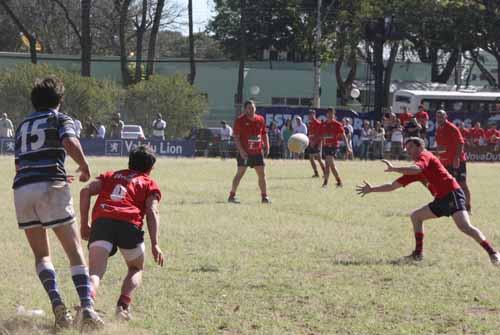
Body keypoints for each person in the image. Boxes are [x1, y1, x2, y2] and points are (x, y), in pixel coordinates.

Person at [13, 77, 103, 329]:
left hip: (22, 188)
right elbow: (69, 142)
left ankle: (58, 306)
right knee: (75, 252)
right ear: (60, 101)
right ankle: (87, 309)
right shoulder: (59, 119)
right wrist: (84, 166)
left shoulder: (22, 125)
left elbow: (20, 163)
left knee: (42, 255)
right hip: (50, 186)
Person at [356, 137, 500, 265]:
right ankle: (418, 254)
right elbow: (393, 186)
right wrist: (372, 189)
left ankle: (493, 253)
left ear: (420, 147)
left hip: (452, 194)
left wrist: (395, 168)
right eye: (406, 148)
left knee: (465, 227)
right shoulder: (414, 170)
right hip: (440, 200)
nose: (408, 151)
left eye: (411, 147)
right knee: (416, 216)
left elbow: (417, 168)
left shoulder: (425, 156)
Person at [80, 145, 164, 321]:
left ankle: (86, 306)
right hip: (129, 224)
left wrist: (84, 224)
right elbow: (152, 211)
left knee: (95, 272)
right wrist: (155, 244)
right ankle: (122, 307)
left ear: (129, 162)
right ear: (150, 168)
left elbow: (85, 191)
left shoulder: (111, 175)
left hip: (102, 223)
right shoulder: (148, 183)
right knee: (136, 268)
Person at [228, 100, 270, 203]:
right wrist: (241, 151)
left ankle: (264, 197)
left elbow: (264, 134)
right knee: (240, 174)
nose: (251, 110)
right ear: (245, 109)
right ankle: (231, 196)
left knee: (262, 174)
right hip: (245, 154)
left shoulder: (260, 119)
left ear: (255, 108)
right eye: (249, 108)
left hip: (258, 152)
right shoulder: (240, 120)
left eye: (253, 107)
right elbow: (236, 137)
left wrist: (267, 146)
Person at [435, 110, 472, 212]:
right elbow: (441, 146)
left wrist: (457, 158)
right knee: (448, 184)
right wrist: (439, 154)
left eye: (441, 116)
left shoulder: (451, 128)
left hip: (457, 162)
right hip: (446, 162)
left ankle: (467, 207)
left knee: (462, 184)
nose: (439, 119)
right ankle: (451, 206)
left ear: (446, 116)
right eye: (438, 117)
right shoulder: (439, 130)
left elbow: (461, 143)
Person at [320, 107, 352, 187]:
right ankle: (337, 182)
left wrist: (347, 146)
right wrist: (321, 146)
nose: (330, 115)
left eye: (332, 113)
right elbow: (322, 136)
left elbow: (343, 135)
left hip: (333, 147)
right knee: (330, 166)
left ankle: (326, 183)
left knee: (329, 162)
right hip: (325, 147)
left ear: (334, 114)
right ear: (326, 114)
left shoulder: (337, 124)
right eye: (329, 113)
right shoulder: (323, 124)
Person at [306, 110, 325, 177]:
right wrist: (309, 140)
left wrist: (316, 142)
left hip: (317, 143)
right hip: (311, 143)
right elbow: (311, 134)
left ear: (314, 115)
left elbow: (320, 134)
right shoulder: (310, 124)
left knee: (319, 159)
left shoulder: (318, 123)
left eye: (311, 114)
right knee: (311, 158)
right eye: (309, 115)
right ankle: (316, 173)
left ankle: (325, 172)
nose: (310, 116)